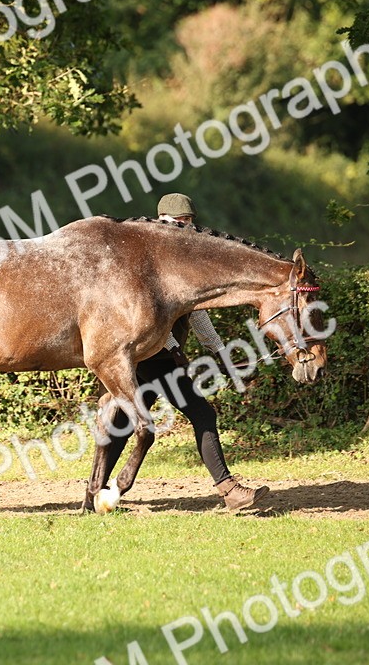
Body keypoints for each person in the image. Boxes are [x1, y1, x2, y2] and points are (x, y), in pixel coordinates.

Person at [110, 193, 269, 511]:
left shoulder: (177, 258)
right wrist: (172, 347)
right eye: (181, 224)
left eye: (190, 224)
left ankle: (98, 490)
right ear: (163, 221)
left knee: (125, 423)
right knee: (202, 413)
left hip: (155, 354)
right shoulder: (153, 255)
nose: (187, 230)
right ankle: (229, 491)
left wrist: (221, 353)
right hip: (152, 352)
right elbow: (149, 313)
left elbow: (196, 313)